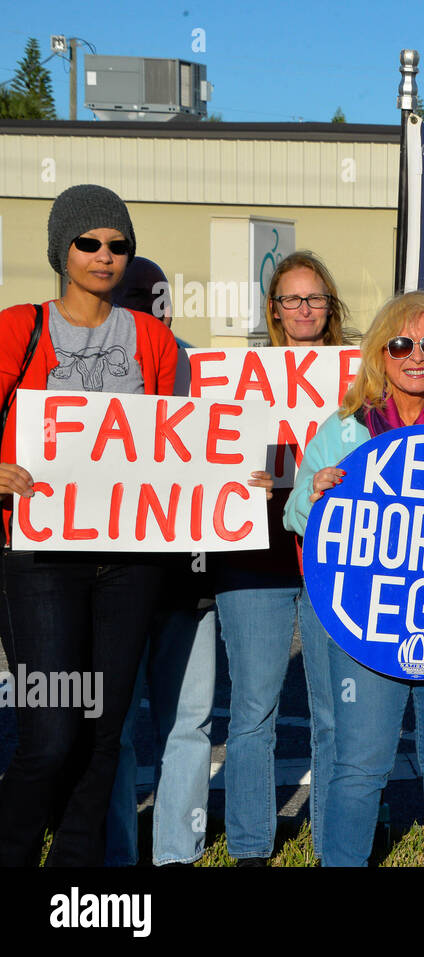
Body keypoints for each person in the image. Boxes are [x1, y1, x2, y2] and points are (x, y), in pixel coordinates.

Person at [285, 290, 424, 867]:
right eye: (401, 343)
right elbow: (293, 515)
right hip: (365, 618)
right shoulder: (345, 428)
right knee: (359, 763)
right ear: (381, 354)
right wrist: (316, 494)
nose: (416, 356)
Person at [0, 184, 178, 866]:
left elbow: (175, 445)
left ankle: (74, 874)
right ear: (62, 250)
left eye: (119, 245)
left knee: (106, 731)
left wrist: (229, 476)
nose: (106, 255)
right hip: (39, 559)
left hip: (129, 561)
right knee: (49, 734)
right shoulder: (21, 328)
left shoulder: (153, 340)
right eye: (90, 242)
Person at [214, 250, 350, 865]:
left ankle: (333, 841)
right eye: (292, 299)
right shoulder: (237, 377)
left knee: (334, 714)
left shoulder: (360, 380)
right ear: (273, 310)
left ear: (331, 307)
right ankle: (249, 846)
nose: (304, 310)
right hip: (256, 557)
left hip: (337, 559)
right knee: (252, 710)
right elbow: (217, 459)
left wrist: (296, 478)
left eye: (315, 298)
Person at [105, 257, 217, 867]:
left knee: (189, 722)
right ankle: (118, 850)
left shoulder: (205, 369)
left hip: (187, 575)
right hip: (112, 578)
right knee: (113, 732)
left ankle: (177, 850)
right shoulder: (83, 375)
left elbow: (234, 451)